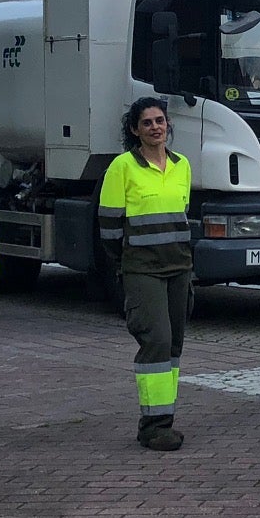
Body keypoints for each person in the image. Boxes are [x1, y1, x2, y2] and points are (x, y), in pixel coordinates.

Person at [99, 97, 194, 452]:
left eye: (160, 121)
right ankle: (155, 425)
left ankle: (161, 419)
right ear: (134, 130)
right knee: (155, 340)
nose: (156, 127)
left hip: (179, 267)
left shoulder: (182, 165)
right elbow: (108, 226)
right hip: (143, 270)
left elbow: (183, 214)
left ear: (168, 125)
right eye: (147, 123)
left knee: (173, 345)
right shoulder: (122, 167)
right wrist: (129, 260)